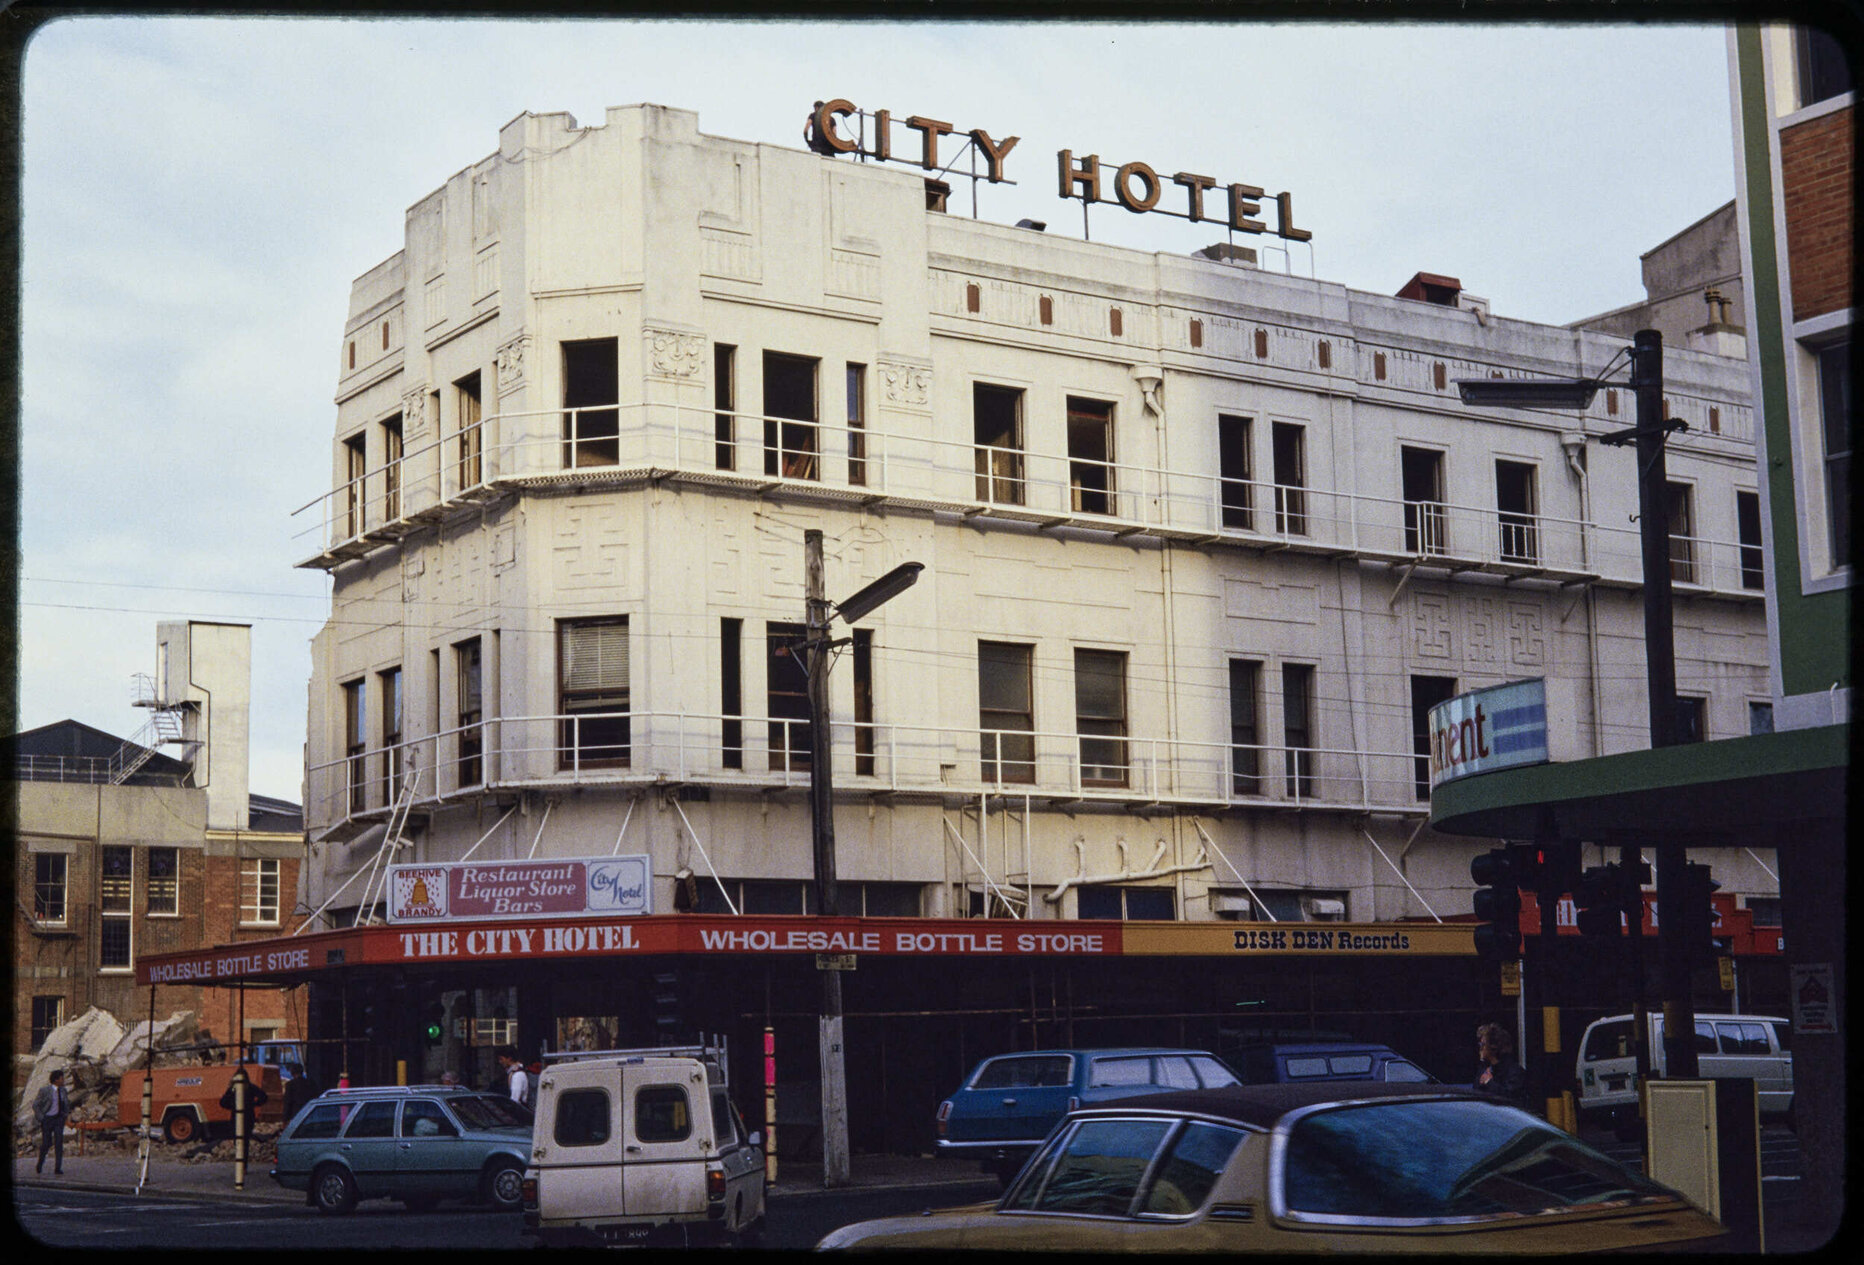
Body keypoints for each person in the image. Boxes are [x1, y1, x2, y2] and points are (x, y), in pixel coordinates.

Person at [1474, 1022, 1528, 1106]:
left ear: (1493, 1047)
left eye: (1483, 1044)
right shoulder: (1484, 1070)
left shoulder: (1514, 1072)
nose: (1480, 1048)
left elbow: (1509, 1098)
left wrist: (1489, 1083)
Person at [34, 1068, 71, 1175]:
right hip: (48, 1119)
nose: (63, 1080)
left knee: (59, 1143)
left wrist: (65, 1115)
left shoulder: (63, 1090)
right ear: (56, 1080)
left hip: (58, 1120)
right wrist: (41, 1117)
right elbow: (36, 1105)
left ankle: (58, 1168)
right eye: (61, 1078)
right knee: (46, 1143)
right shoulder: (45, 1090)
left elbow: (66, 1103)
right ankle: (40, 1164)